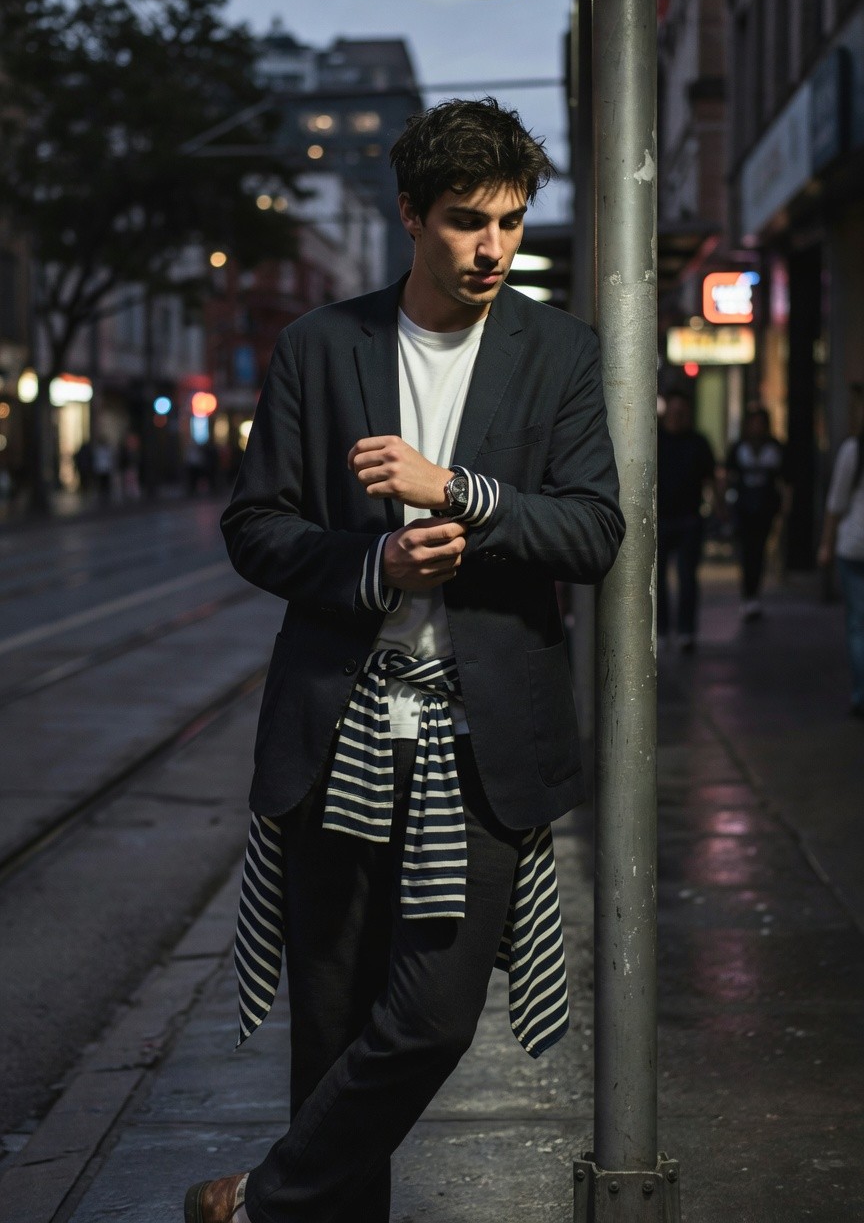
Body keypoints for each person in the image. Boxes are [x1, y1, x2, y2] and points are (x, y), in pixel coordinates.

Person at [184, 98, 624, 1223]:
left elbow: (593, 530)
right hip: (334, 732)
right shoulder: (319, 346)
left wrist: (459, 494)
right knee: (331, 1032)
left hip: (480, 740)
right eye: (468, 221)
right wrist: (375, 565)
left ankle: (260, 1198)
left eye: (510, 223)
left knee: (431, 1017)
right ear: (411, 216)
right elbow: (256, 527)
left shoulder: (559, 351)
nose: (492, 248)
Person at [657, 390, 718, 651]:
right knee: (656, 580)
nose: (677, 417)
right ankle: (661, 630)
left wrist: (718, 507)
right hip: (659, 519)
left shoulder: (698, 442)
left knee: (687, 578)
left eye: (682, 412)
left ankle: (686, 631)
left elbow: (711, 478)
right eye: (674, 412)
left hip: (689, 519)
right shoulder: (655, 438)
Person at [724, 406, 790, 621]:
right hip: (743, 508)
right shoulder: (739, 448)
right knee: (746, 551)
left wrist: (784, 507)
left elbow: (786, 480)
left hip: (765, 508)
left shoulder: (775, 448)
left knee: (759, 551)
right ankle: (748, 594)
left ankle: (753, 595)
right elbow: (727, 475)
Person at [817, 418, 864, 719]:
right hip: (854, 546)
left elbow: (836, 502)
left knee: (858, 625)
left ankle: (861, 694)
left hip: (854, 544)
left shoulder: (853, 449)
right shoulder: (853, 449)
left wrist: (826, 543)